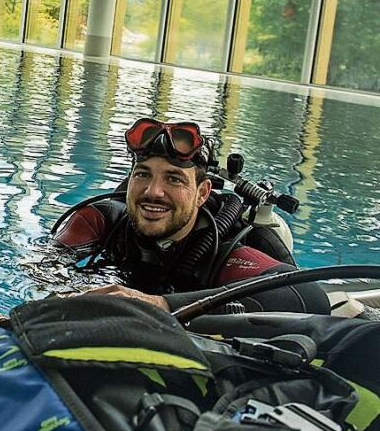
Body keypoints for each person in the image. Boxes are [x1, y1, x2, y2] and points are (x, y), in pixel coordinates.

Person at [50, 117, 330, 314]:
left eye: (173, 179)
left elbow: (310, 297)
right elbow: (41, 269)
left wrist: (162, 305)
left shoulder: (225, 250)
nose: (153, 192)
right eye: (143, 174)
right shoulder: (101, 221)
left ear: (202, 193)